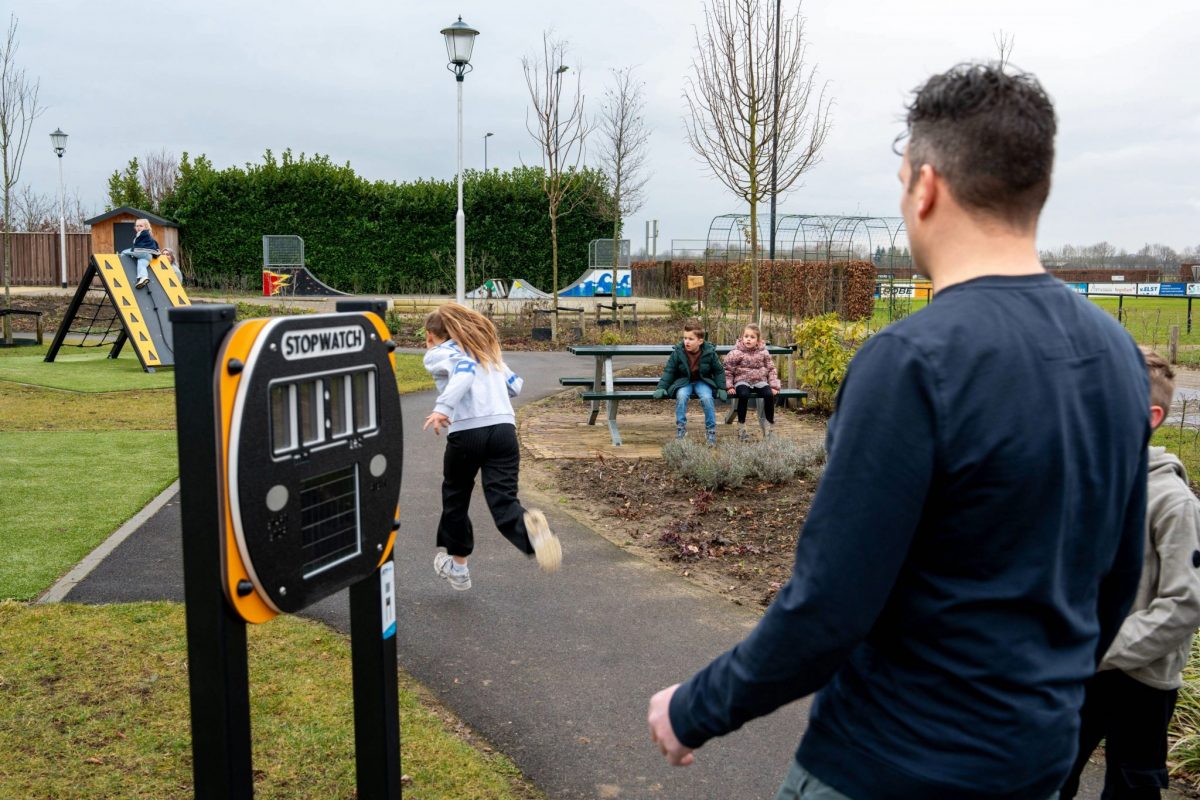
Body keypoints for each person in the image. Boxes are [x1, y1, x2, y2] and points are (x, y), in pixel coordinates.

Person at [647, 61, 1150, 800]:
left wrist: (695, 707)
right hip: (1036, 762)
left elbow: (828, 606)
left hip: (891, 764)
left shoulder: (912, 362)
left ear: (926, 185)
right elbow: (1117, 580)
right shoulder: (1117, 357)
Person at [1060, 348, 1200, 800]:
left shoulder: (1174, 503)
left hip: (1143, 682)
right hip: (1082, 670)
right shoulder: (1087, 485)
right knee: (1051, 772)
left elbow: (1185, 603)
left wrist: (1101, 647)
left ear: (1150, 416)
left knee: (1132, 786)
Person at [421, 302, 562, 591]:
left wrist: (443, 408)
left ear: (433, 335)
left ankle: (458, 568)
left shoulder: (438, 353)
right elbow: (516, 385)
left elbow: (463, 372)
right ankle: (533, 538)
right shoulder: (486, 351)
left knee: (456, 497)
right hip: (503, 430)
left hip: (468, 431)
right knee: (503, 499)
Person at [652, 318, 727, 446]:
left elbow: (719, 371)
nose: (687, 341)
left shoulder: (709, 352)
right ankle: (681, 428)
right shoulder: (678, 352)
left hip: (702, 381)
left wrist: (721, 387)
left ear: (700, 341)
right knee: (681, 396)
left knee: (707, 398)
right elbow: (669, 371)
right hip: (684, 382)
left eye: (691, 339)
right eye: (685, 338)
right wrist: (661, 387)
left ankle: (711, 431)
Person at [722, 322, 780, 441]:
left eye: (752, 337)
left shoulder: (763, 352)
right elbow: (728, 370)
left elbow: (771, 369)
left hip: (759, 380)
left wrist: (774, 386)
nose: (748, 339)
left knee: (768, 394)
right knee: (743, 395)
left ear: (758, 341)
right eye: (746, 336)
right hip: (742, 380)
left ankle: (769, 426)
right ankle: (742, 427)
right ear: (742, 338)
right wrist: (729, 386)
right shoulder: (736, 352)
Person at [120, 218, 160, 289]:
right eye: (137, 226)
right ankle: (143, 278)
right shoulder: (149, 236)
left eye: (141, 226)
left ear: (146, 227)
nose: (138, 228)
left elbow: (135, 246)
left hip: (142, 252)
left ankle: (121, 266)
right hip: (148, 256)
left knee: (124, 252)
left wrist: (132, 253)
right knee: (142, 265)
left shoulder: (144, 233)